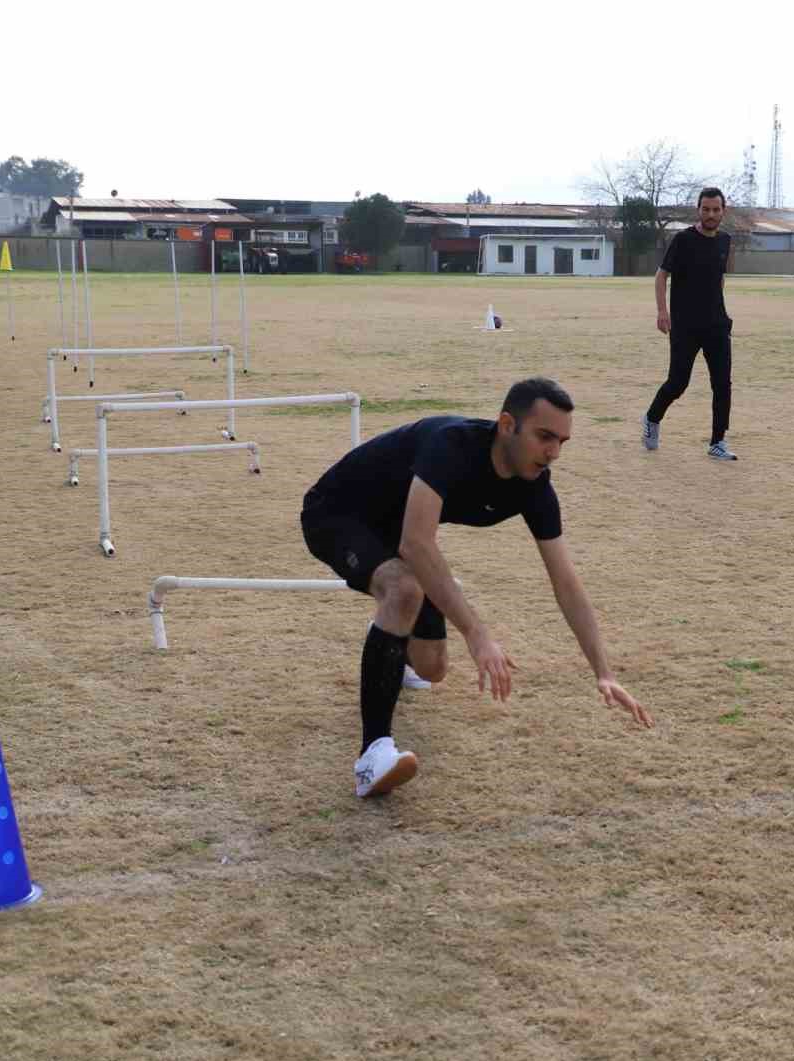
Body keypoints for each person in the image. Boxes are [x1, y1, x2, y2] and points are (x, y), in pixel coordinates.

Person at [301, 377, 653, 797]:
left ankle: (389, 644)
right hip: (337, 513)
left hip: (395, 533)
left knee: (432, 669)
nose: (553, 453)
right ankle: (372, 757)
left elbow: (566, 581)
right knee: (405, 589)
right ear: (507, 424)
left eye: (562, 441)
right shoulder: (451, 446)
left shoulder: (534, 486)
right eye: (544, 436)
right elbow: (416, 542)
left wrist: (603, 671)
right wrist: (476, 632)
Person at [642, 186, 739, 460]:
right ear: (698, 210)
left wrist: (720, 309)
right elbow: (662, 276)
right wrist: (663, 311)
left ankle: (717, 441)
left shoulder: (725, 240)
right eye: (706, 209)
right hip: (685, 326)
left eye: (716, 209)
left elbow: (720, 278)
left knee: (723, 384)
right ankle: (651, 418)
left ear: (723, 211)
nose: (711, 214)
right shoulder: (682, 240)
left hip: (717, 325)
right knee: (678, 382)